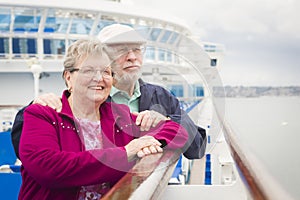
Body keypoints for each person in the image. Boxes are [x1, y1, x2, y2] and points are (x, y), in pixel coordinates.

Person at [18, 39, 188, 200]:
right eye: (89, 70)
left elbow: (178, 132)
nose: (99, 78)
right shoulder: (42, 115)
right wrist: (127, 153)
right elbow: (49, 168)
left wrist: (149, 140)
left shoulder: (120, 116)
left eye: (106, 72)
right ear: (68, 77)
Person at [11, 24, 206, 160]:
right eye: (122, 50)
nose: (132, 57)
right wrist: (35, 105)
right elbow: (25, 148)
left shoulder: (160, 96)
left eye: (136, 50)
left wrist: (166, 119)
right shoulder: (84, 97)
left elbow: (197, 149)